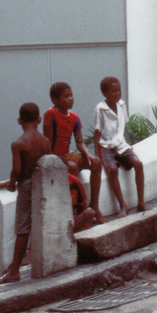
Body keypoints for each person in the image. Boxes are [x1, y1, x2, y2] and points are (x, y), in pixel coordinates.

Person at [0, 102, 51, 283]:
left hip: (25, 186)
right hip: (42, 185)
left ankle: (14, 271)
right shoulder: (45, 142)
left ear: (19, 121)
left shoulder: (18, 143)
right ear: (39, 119)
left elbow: (17, 170)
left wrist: (11, 184)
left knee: (23, 228)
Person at [43, 81, 104, 224]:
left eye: (71, 96)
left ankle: (94, 206)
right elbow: (47, 143)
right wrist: (56, 159)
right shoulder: (50, 114)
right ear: (55, 100)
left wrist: (88, 155)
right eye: (66, 96)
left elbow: (79, 141)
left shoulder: (74, 117)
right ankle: (74, 210)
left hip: (66, 154)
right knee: (72, 167)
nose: (71, 99)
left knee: (96, 163)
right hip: (53, 156)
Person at [93, 76, 145, 217]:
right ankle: (123, 205)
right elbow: (97, 133)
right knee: (112, 170)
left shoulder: (122, 105)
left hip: (121, 144)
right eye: (113, 91)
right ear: (105, 93)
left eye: (119, 90)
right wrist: (97, 155)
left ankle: (141, 201)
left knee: (138, 164)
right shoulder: (100, 109)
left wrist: (128, 144)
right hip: (106, 146)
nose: (117, 94)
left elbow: (123, 126)